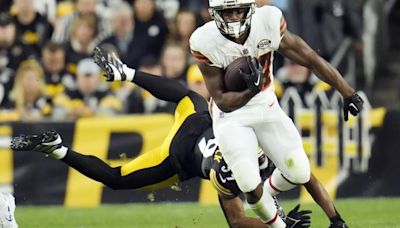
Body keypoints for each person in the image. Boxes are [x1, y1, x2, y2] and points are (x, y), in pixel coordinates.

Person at [13, 46, 348, 227]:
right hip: (179, 158)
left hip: (197, 121)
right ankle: (58, 148)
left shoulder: (242, 142)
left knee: (190, 97)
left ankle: (124, 72)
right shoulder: (237, 176)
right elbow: (237, 221)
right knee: (116, 179)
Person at [189, 0, 363, 227]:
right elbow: (222, 100)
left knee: (299, 172)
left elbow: (309, 57)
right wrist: (249, 91)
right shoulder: (204, 41)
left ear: (250, 8)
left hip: (266, 104)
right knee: (249, 183)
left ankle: (268, 193)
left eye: (238, 10)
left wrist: (347, 92)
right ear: (214, 14)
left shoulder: (268, 21)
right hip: (231, 117)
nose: (233, 17)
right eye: (226, 12)